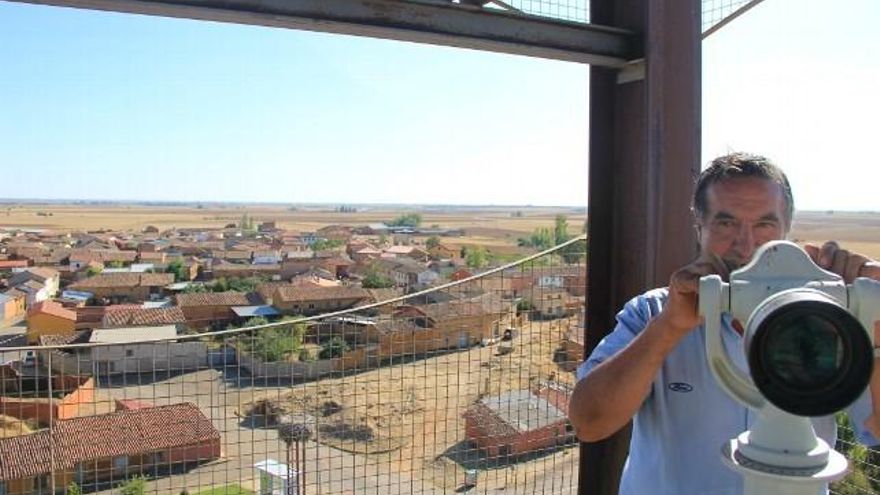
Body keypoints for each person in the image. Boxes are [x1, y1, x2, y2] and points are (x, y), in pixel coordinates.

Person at [568, 152, 880, 495]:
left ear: (786, 230)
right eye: (726, 223)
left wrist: (872, 322)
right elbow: (589, 422)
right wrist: (669, 327)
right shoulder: (652, 312)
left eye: (764, 224)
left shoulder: (828, 320)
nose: (745, 245)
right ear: (699, 228)